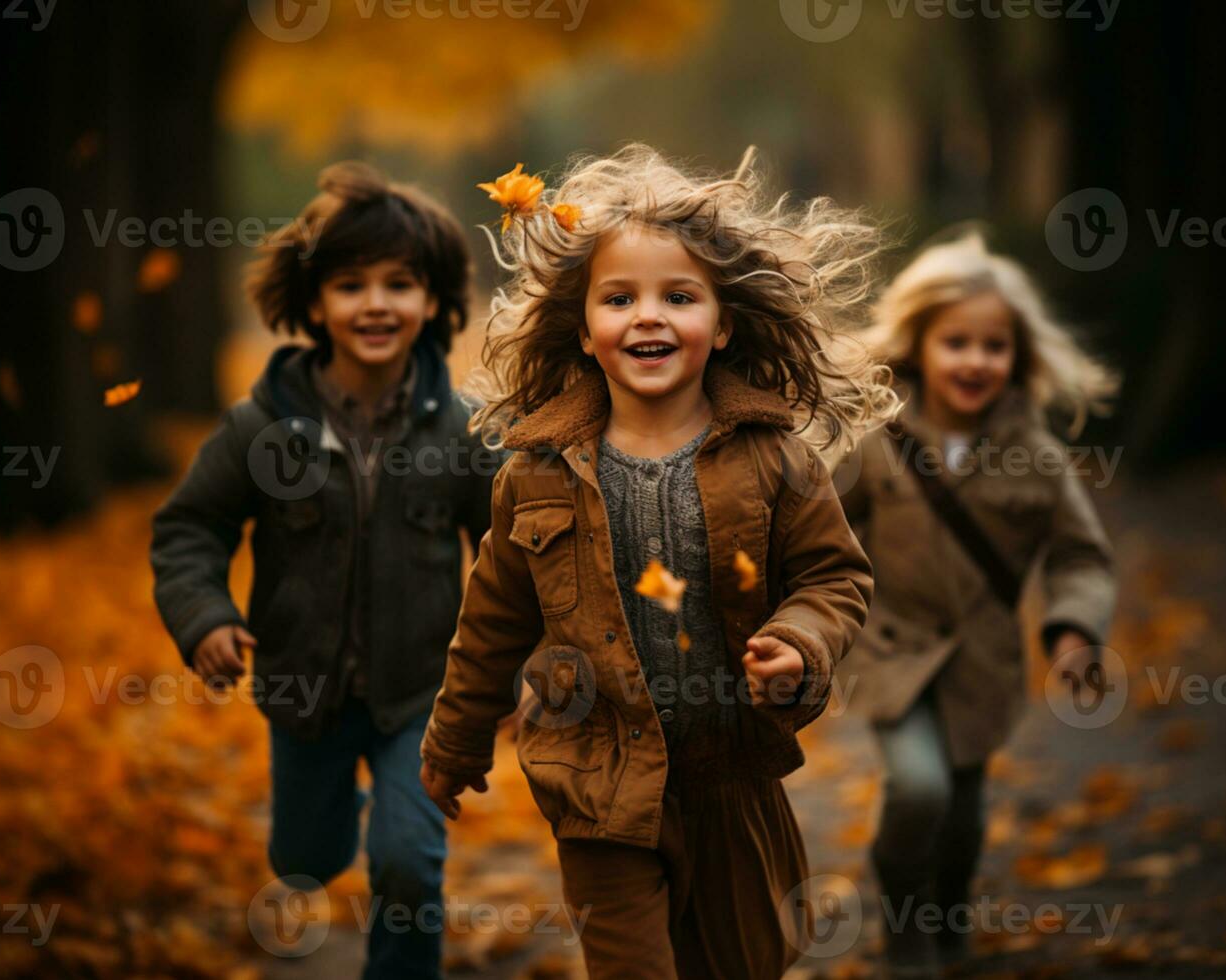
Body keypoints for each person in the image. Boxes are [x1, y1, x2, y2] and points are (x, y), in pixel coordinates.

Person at [417, 145, 897, 979]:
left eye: (679, 297)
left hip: (732, 775)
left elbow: (835, 577)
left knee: (748, 963)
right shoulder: (536, 473)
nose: (648, 316)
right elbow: (492, 622)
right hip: (598, 782)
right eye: (620, 298)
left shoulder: (774, 458)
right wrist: (453, 744)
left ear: (725, 324)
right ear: (583, 327)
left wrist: (802, 641)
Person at [150, 161, 497, 980]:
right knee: (303, 860)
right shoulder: (261, 428)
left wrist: (509, 668)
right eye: (350, 285)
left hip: (424, 696)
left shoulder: (464, 431)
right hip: (301, 695)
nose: (376, 303)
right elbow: (190, 527)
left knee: (410, 863)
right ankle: (336, 819)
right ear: (312, 303)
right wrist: (205, 617)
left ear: (434, 300)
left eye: (399, 284)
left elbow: (510, 554)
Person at [834, 229, 1119, 978]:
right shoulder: (876, 442)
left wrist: (1072, 631)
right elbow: (821, 533)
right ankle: (904, 926)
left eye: (993, 346)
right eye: (955, 342)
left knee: (961, 810)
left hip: (982, 661)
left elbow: (1078, 554)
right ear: (917, 345)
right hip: (889, 651)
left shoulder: (1037, 453)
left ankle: (949, 915)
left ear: (1018, 358)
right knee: (919, 787)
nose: (974, 360)